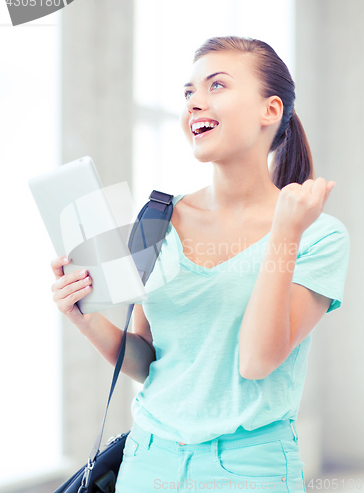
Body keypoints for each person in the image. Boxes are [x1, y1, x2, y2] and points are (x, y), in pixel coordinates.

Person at [51, 36, 350, 492]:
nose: (195, 103)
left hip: (252, 469)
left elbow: (256, 362)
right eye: (188, 92)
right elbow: (149, 361)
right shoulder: (156, 221)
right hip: (148, 462)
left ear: (270, 110)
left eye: (217, 86)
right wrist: (83, 317)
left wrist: (285, 234)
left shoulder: (318, 234)